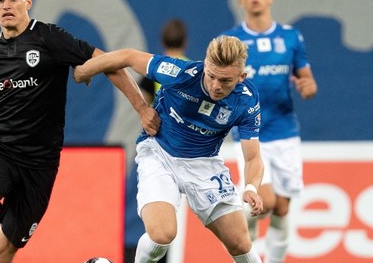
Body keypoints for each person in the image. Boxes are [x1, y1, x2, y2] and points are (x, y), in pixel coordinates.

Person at [0, 0, 159, 263]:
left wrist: (142, 108)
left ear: (28, 1)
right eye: (0, 0)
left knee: (3, 251)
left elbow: (110, 62)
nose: (7, 5)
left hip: (39, 161)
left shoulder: (49, 37)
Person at [74, 35, 264, 263]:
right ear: (205, 65)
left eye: (225, 81)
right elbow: (128, 56)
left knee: (240, 243)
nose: (215, 86)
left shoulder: (247, 100)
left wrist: (252, 187)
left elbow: (252, 157)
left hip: (204, 165)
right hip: (160, 154)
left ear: (241, 77)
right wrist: (85, 70)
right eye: (211, 76)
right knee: (162, 235)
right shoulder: (180, 73)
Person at [220, 0, 318, 263]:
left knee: (283, 209)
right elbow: (218, 85)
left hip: (286, 132)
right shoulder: (231, 41)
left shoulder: (290, 37)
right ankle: (245, 222)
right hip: (251, 134)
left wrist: (308, 86)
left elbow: (308, 82)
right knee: (265, 202)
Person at [124, 18, 190, 263]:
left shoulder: (156, 69)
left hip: (159, 147)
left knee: (157, 209)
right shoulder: (192, 69)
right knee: (175, 213)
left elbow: (141, 103)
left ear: (163, 42)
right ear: (185, 41)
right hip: (187, 150)